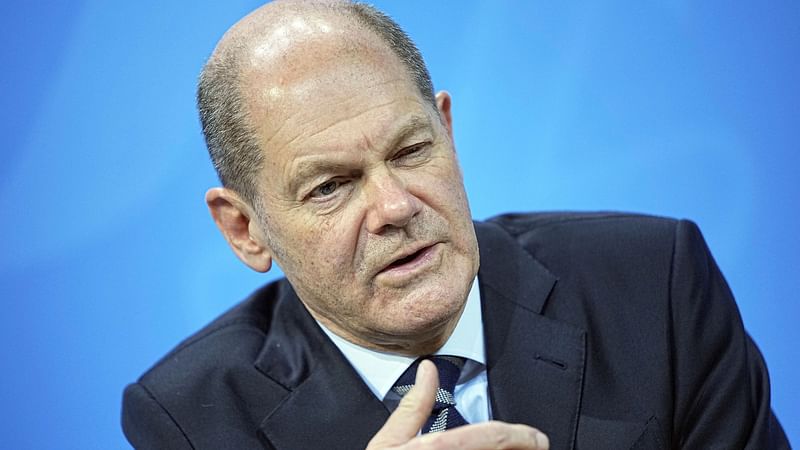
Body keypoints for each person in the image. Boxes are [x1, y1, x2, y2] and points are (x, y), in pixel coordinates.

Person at [121, 1, 790, 449]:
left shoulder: (652, 283)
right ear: (245, 230)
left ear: (447, 128)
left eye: (412, 151)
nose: (395, 207)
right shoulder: (195, 418)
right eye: (330, 186)